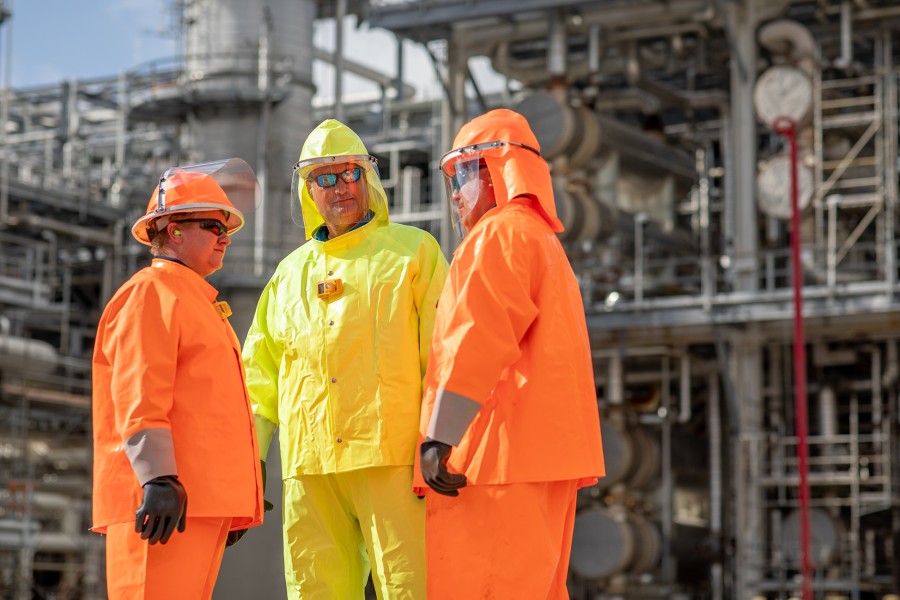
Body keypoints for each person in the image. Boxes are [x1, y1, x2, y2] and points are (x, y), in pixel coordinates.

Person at [242, 119, 448, 599]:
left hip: (392, 460)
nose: (341, 188)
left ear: (369, 178)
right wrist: (248, 464)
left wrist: (440, 437)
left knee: (412, 587)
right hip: (308, 468)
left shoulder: (413, 253)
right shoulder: (287, 276)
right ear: (307, 189)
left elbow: (441, 355)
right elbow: (258, 380)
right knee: (315, 591)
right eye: (325, 178)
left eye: (350, 173)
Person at [414, 108, 605, 598]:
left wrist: (440, 436)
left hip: (494, 461)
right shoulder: (541, 240)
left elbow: (478, 338)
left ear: (496, 169)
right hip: (540, 463)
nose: (455, 194)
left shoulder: (497, 236)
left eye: (461, 175)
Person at [91, 159, 264, 599]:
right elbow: (139, 393)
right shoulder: (151, 293)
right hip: (162, 501)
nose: (225, 237)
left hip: (196, 504)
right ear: (172, 228)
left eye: (227, 228)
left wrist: (236, 494)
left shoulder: (196, 301)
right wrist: (157, 479)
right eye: (212, 225)